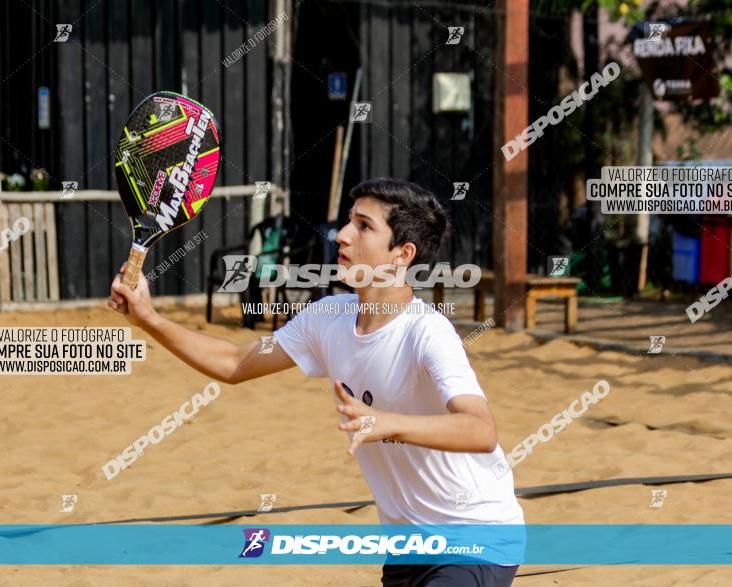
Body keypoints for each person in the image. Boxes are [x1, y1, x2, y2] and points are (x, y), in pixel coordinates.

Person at [110, 178, 524, 585]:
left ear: (402, 254)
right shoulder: (329, 315)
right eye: (348, 220)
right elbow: (234, 363)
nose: (342, 235)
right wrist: (149, 318)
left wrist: (388, 422)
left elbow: (480, 429)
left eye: (364, 226)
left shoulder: (426, 331)